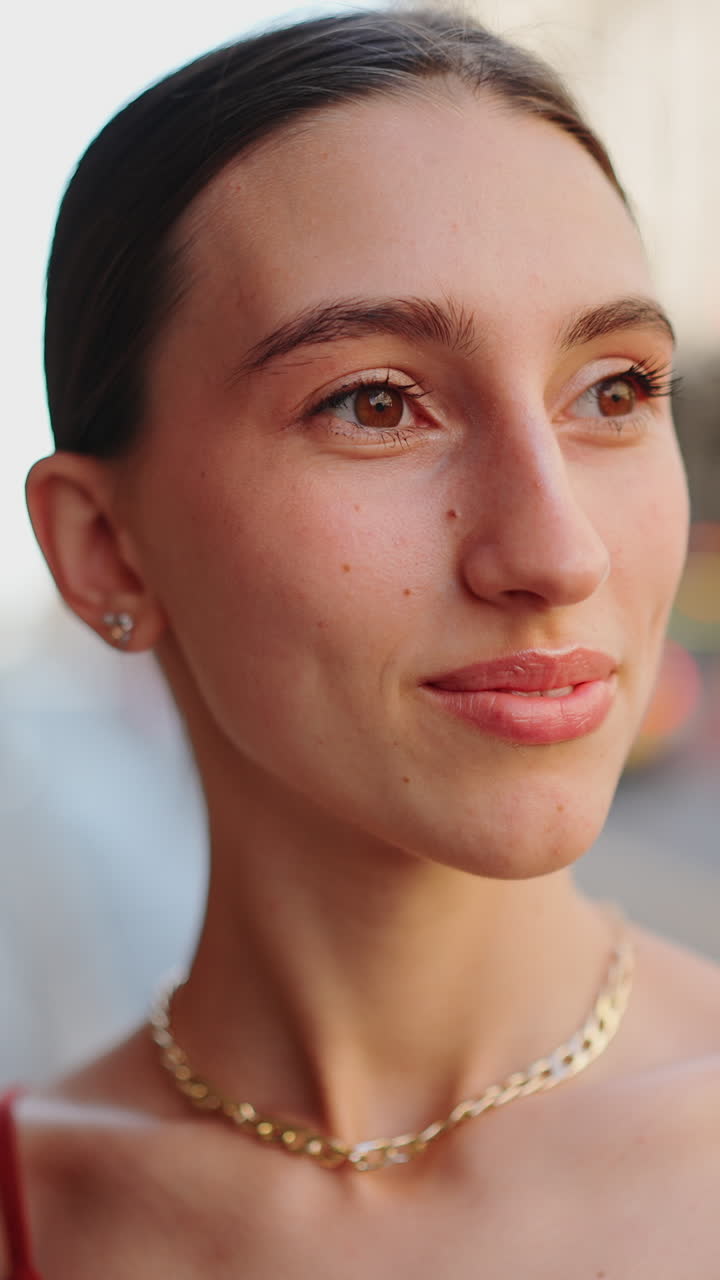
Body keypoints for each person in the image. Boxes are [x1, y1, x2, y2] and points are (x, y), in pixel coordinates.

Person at [2, 8, 718, 1275]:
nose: (558, 553)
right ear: (106, 547)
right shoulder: (41, 1213)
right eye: (375, 403)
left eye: (613, 390)